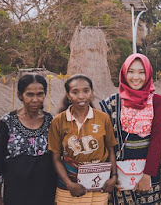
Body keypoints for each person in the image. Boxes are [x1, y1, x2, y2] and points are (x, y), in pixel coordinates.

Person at [100, 53, 161, 205]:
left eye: (141, 72)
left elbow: (158, 141)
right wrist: (111, 174)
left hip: (147, 173)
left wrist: (147, 175)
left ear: (148, 74)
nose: (136, 77)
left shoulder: (157, 102)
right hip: (117, 176)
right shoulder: (112, 102)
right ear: (123, 73)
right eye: (131, 71)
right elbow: (106, 142)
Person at [48, 74, 118, 204]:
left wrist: (113, 177)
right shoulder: (58, 121)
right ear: (68, 95)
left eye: (86, 91)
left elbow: (110, 149)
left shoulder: (103, 118)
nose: (81, 96)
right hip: (69, 189)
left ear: (91, 92)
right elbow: (56, 158)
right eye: (75, 92)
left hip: (99, 185)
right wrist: (69, 184)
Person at [0, 74, 56, 205]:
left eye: (40, 94)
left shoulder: (51, 121)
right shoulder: (7, 122)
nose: (35, 99)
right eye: (30, 94)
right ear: (20, 95)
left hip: (45, 191)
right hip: (16, 192)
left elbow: (56, 157)